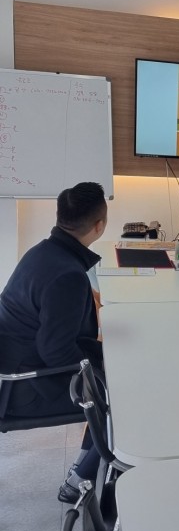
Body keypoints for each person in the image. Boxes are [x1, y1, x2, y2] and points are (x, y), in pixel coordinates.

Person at [0, 182, 108, 503]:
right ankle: (78, 481)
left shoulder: (43, 252)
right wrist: (99, 377)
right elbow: (56, 351)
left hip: (18, 368)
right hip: (26, 388)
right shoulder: (67, 275)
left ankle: (84, 462)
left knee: (112, 376)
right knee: (125, 399)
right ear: (99, 225)